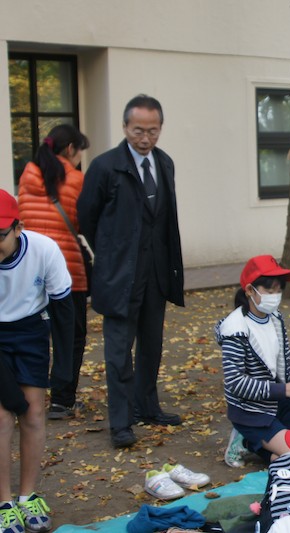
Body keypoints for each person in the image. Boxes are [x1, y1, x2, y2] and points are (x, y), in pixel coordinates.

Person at [77, 94, 184, 448]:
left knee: (152, 345)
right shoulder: (105, 167)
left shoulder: (164, 163)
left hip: (156, 274)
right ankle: (121, 423)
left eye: (153, 131)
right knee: (119, 353)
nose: (145, 138)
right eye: (138, 130)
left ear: (160, 129)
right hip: (119, 276)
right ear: (125, 127)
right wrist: (110, 253)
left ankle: (147, 406)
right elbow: (87, 216)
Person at [1, 189, 73, 533]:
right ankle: (3, 503)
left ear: (18, 228)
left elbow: (64, 311)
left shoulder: (44, 250)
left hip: (31, 330)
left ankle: (27, 495)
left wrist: (64, 370)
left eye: (0, 234)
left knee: (33, 413)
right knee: (2, 416)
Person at [218, 255, 290, 468]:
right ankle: (248, 441)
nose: (275, 296)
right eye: (269, 290)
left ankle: (252, 443)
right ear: (250, 290)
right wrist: (285, 389)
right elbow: (236, 383)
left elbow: (287, 363)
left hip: (280, 404)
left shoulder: (275, 318)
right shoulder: (234, 328)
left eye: (278, 290)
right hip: (251, 412)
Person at [17, 124, 91, 419]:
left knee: (29, 335)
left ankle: (23, 399)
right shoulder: (76, 179)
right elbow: (83, 222)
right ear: (70, 149)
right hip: (66, 270)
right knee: (70, 336)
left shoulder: (27, 175)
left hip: (29, 271)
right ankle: (62, 400)